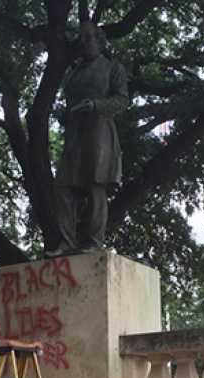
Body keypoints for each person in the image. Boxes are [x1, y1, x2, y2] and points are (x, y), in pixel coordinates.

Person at [44, 21, 129, 258]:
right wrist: (64, 113)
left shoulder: (113, 68)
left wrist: (96, 105)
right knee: (62, 187)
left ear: (99, 40)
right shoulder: (73, 74)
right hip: (75, 133)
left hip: (100, 131)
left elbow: (122, 100)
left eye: (88, 37)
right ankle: (66, 241)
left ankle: (93, 241)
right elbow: (70, 104)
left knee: (94, 185)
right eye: (80, 38)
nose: (84, 43)